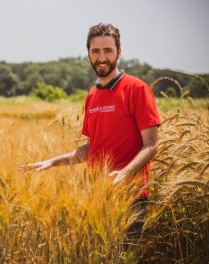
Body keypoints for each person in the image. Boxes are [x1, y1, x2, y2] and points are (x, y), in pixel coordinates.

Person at [22, 23, 160, 241]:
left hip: (131, 196)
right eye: (95, 51)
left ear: (119, 52)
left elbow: (151, 145)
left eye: (108, 50)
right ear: (88, 54)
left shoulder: (137, 89)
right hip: (98, 196)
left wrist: (125, 173)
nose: (101, 57)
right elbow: (90, 148)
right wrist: (51, 162)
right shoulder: (92, 95)